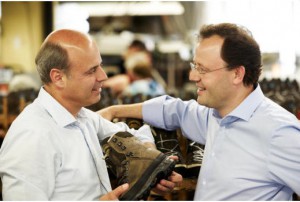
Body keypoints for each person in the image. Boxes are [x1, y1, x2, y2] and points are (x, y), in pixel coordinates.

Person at [98, 23, 300, 200]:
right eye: (194, 65)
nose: (193, 76)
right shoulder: (214, 116)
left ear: (237, 74)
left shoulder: (279, 133)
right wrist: (114, 110)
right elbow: (174, 110)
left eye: (203, 69)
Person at [0, 29, 182, 200]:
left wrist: (151, 166)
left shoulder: (84, 118)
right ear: (58, 77)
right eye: (91, 70)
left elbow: (135, 134)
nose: (103, 76)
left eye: (100, 66)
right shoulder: (32, 136)